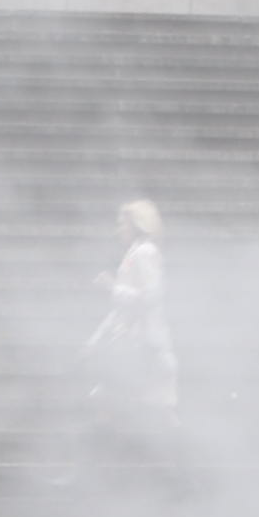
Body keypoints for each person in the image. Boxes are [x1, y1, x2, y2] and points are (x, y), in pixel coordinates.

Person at [83, 197, 180, 486]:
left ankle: (177, 478)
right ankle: (101, 473)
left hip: (144, 352)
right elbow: (120, 312)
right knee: (121, 405)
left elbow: (150, 298)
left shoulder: (145, 253)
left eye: (122, 223)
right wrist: (95, 341)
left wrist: (113, 287)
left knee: (152, 413)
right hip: (136, 350)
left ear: (137, 224)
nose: (118, 229)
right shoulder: (135, 253)